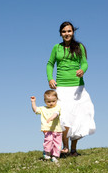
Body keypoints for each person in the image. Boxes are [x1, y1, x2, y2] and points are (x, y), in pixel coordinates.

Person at [46, 21, 96, 157]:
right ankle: (65, 147)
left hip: (77, 87)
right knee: (64, 117)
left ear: (73, 32)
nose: (66, 34)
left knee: (79, 117)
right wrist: (50, 78)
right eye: (64, 31)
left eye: (69, 31)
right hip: (61, 87)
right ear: (60, 34)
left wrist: (82, 70)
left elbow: (84, 63)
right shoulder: (56, 48)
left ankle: (74, 149)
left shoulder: (79, 47)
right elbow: (50, 64)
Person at [30, 90, 62, 163]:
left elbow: (56, 114)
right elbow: (35, 110)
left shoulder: (57, 107)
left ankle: (54, 156)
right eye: (49, 102)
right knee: (49, 140)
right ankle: (47, 152)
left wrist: (51, 118)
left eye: (53, 101)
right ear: (45, 101)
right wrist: (33, 102)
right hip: (47, 129)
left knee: (57, 143)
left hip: (57, 129)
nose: (51, 103)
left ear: (56, 100)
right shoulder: (43, 108)